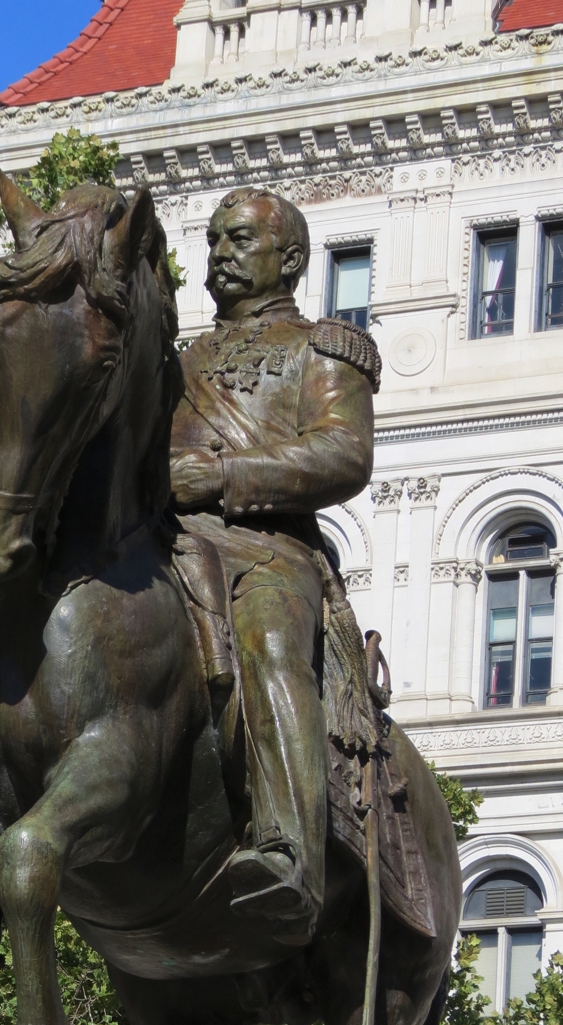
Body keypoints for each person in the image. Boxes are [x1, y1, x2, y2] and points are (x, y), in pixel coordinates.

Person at [170, 187, 379, 942]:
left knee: (270, 642)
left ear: (288, 259)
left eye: (240, 240)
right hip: (164, 538)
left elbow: (344, 452)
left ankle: (289, 851)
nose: (221, 252)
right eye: (216, 239)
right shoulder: (175, 361)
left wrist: (226, 478)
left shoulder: (320, 348)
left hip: (264, 547)